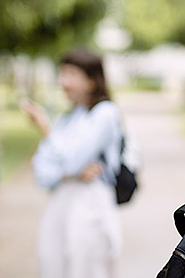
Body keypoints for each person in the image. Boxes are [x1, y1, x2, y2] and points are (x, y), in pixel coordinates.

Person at [23, 49, 123, 278]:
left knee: (86, 269)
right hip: (60, 205)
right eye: (62, 74)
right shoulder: (65, 119)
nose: (63, 82)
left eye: (70, 74)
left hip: (90, 207)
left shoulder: (105, 114)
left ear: (91, 80)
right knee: (52, 266)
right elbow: (41, 171)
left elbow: (73, 160)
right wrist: (70, 174)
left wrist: (46, 129)